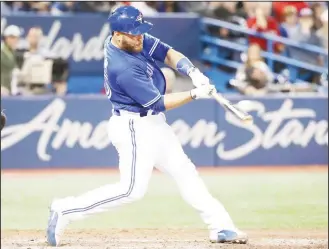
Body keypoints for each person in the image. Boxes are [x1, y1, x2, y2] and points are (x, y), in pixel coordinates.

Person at [46, 6, 248, 247]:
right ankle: (65, 210)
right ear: (117, 35)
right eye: (134, 33)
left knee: (184, 171)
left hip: (152, 123)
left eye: (140, 31)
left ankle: (221, 226)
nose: (139, 36)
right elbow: (158, 103)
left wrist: (192, 71)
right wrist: (195, 93)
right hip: (133, 126)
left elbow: (167, 52)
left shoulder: (132, 40)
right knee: (131, 191)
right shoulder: (122, 67)